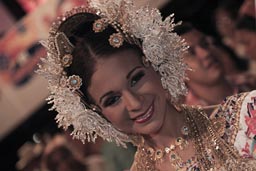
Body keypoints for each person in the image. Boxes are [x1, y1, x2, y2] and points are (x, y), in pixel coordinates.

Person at [37, 0, 256, 170]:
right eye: (112, 99)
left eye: (136, 79)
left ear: (154, 62)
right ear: (97, 113)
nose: (134, 103)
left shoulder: (245, 118)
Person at [174, 23, 255, 106]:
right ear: (178, 73)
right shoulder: (189, 117)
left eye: (205, 44)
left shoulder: (250, 84)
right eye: (191, 52)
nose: (206, 53)